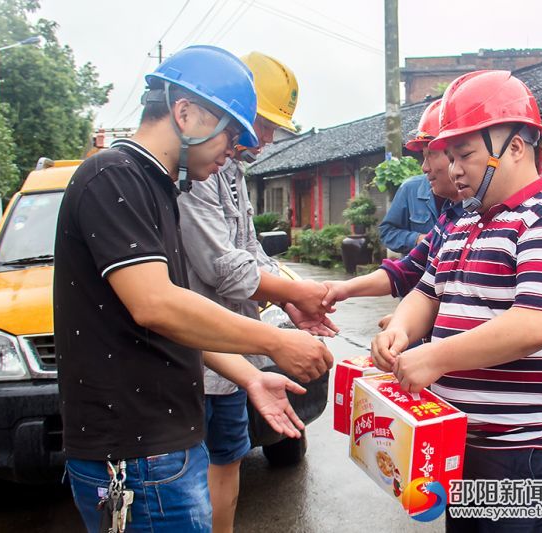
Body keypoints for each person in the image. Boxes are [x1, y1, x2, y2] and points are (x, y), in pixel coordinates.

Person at [54, 45, 333, 533]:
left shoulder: (161, 187)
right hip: (136, 452)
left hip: (160, 446)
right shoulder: (113, 177)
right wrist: (275, 340)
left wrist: (249, 377)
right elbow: (156, 306)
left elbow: (181, 310)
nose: (234, 150)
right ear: (185, 113)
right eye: (231, 134)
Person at [371, 70, 542, 531]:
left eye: (466, 155)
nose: (454, 169)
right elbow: (427, 292)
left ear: (515, 146)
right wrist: (402, 330)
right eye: (449, 156)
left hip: (532, 451)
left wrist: (433, 356)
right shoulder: (463, 226)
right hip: (467, 440)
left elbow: (536, 324)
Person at [178, 51, 337, 533]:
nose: (265, 139)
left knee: (227, 462)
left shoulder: (235, 173)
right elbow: (221, 266)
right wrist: (286, 317)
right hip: (195, 359)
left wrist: (292, 297)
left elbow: (251, 253)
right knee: (185, 481)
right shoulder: (195, 173)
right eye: (260, 123)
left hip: (234, 360)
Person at [322, 100, 462, 313]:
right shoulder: (446, 220)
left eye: (431, 154)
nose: (424, 167)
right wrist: (344, 288)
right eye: (423, 156)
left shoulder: (511, 218)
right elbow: (406, 270)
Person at [378, 168, 442, 254]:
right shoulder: (410, 188)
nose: (424, 166)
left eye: (432, 155)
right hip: (418, 265)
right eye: (425, 156)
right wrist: (417, 239)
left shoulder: (462, 191)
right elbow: (387, 232)